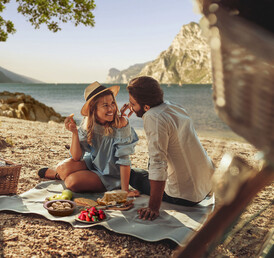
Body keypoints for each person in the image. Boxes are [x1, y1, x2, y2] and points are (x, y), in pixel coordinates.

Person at [121, 76, 215, 221]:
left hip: (184, 196)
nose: (131, 107)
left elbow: (158, 163)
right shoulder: (173, 107)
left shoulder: (153, 117)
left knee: (132, 175)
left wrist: (153, 207)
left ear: (146, 106)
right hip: (206, 184)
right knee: (145, 169)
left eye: (133, 104)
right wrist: (136, 105)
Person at [38, 81, 139, 196]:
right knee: (61, 168)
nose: (111, 109)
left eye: (113, 103)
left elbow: (124, 160)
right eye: (105, 105)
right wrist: (74, 133)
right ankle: (58, 174)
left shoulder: (121, 123)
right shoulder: (88, 125)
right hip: (93, 163)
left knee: (71, 182)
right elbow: (76, 157)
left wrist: (124, 191)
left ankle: (64, 176)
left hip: (111, 174)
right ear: (93, 109)